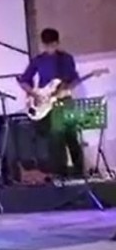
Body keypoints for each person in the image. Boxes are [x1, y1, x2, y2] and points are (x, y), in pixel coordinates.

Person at [18, 28, 85, 177]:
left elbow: (74, 79)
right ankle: (60, 172)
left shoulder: (66, 59)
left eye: (53, 45)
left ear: (57, 43)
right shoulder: (38, 60)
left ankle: (79, 171)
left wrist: (67, 89)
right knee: (55, 137)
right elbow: (24, 80)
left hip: (64, 100)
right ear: (43, 44)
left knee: (71, 135)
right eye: (47, 45)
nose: (50, 48)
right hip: (46, 103)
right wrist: (34, 93)